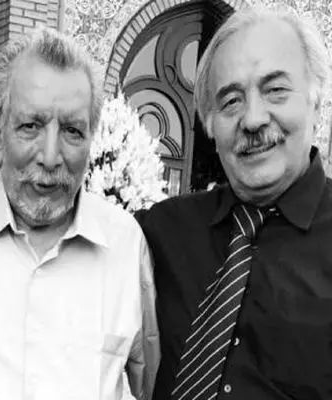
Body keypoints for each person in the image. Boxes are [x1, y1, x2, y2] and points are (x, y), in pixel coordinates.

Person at [0, 27, 159, 400]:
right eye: (30, 126)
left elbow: (149, 383)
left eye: (72, 131)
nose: (50, 156)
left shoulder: (125, 244)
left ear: (91, 141)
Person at [135, 8, 332, 400]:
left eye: (276, 90)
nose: (253, 119)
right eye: (231, 101)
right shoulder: (160, 232)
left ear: (316, 103)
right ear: (209, 123)